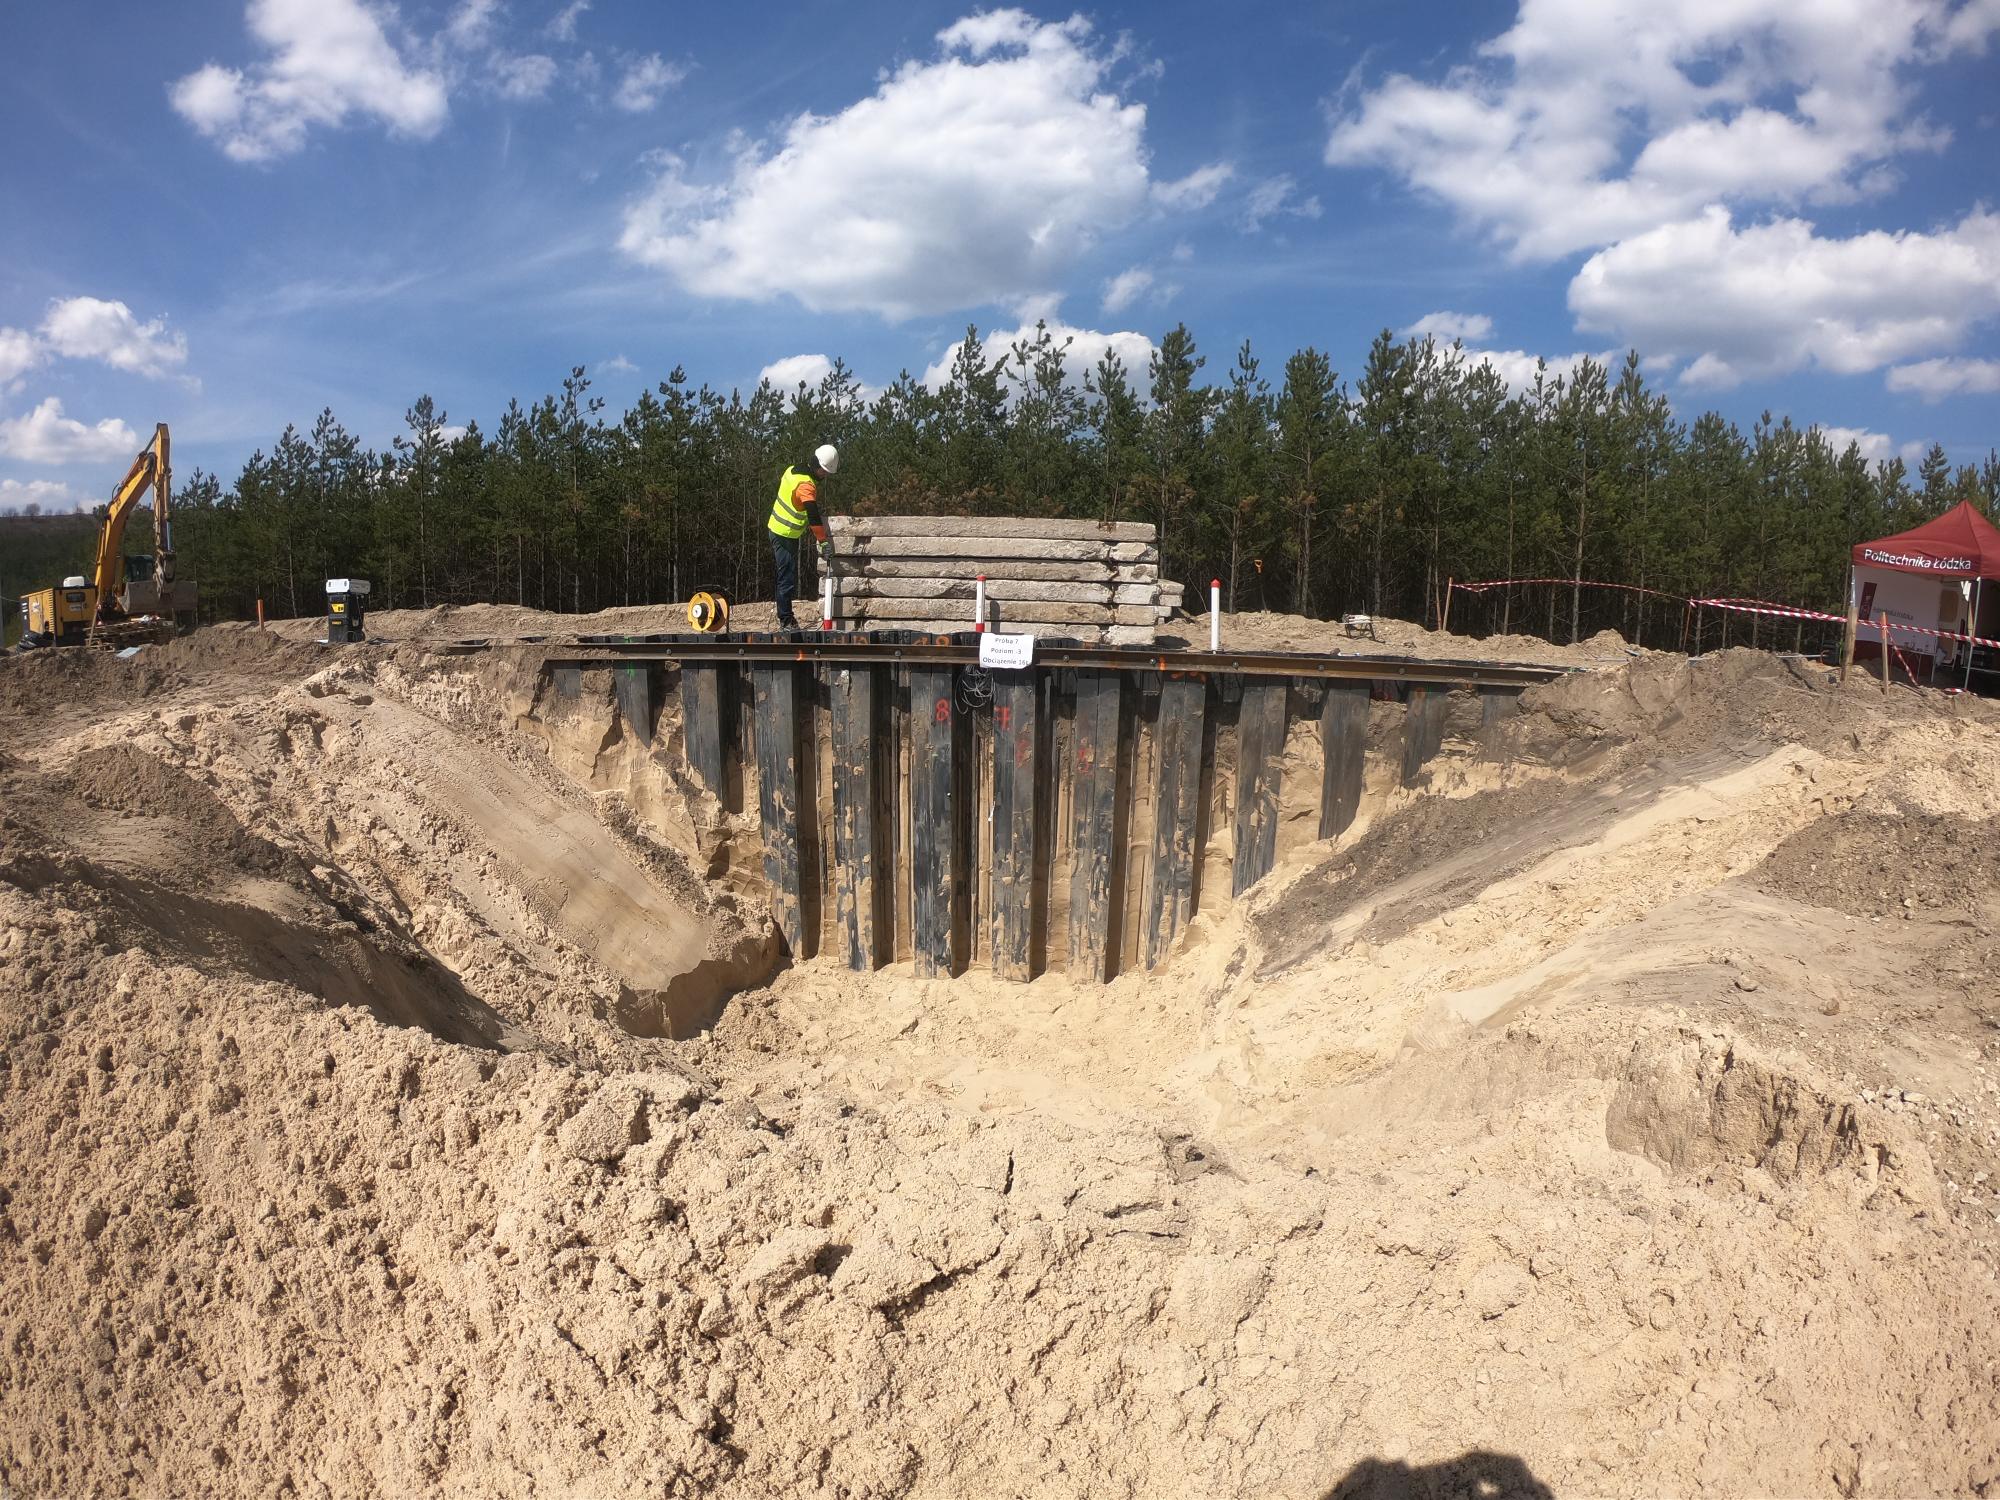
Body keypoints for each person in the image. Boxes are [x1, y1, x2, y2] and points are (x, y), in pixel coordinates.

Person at [768, 443, 839, 630]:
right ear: (818, 467)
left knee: (787, 575)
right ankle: (786, 620)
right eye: (824, 472)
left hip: (780, 530)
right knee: (786, 577)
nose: (825, 476)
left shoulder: (792, 470)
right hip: (783, 534)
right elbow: (813, 515)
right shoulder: (806, 486)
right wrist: (823, 541)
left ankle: (787, 618)